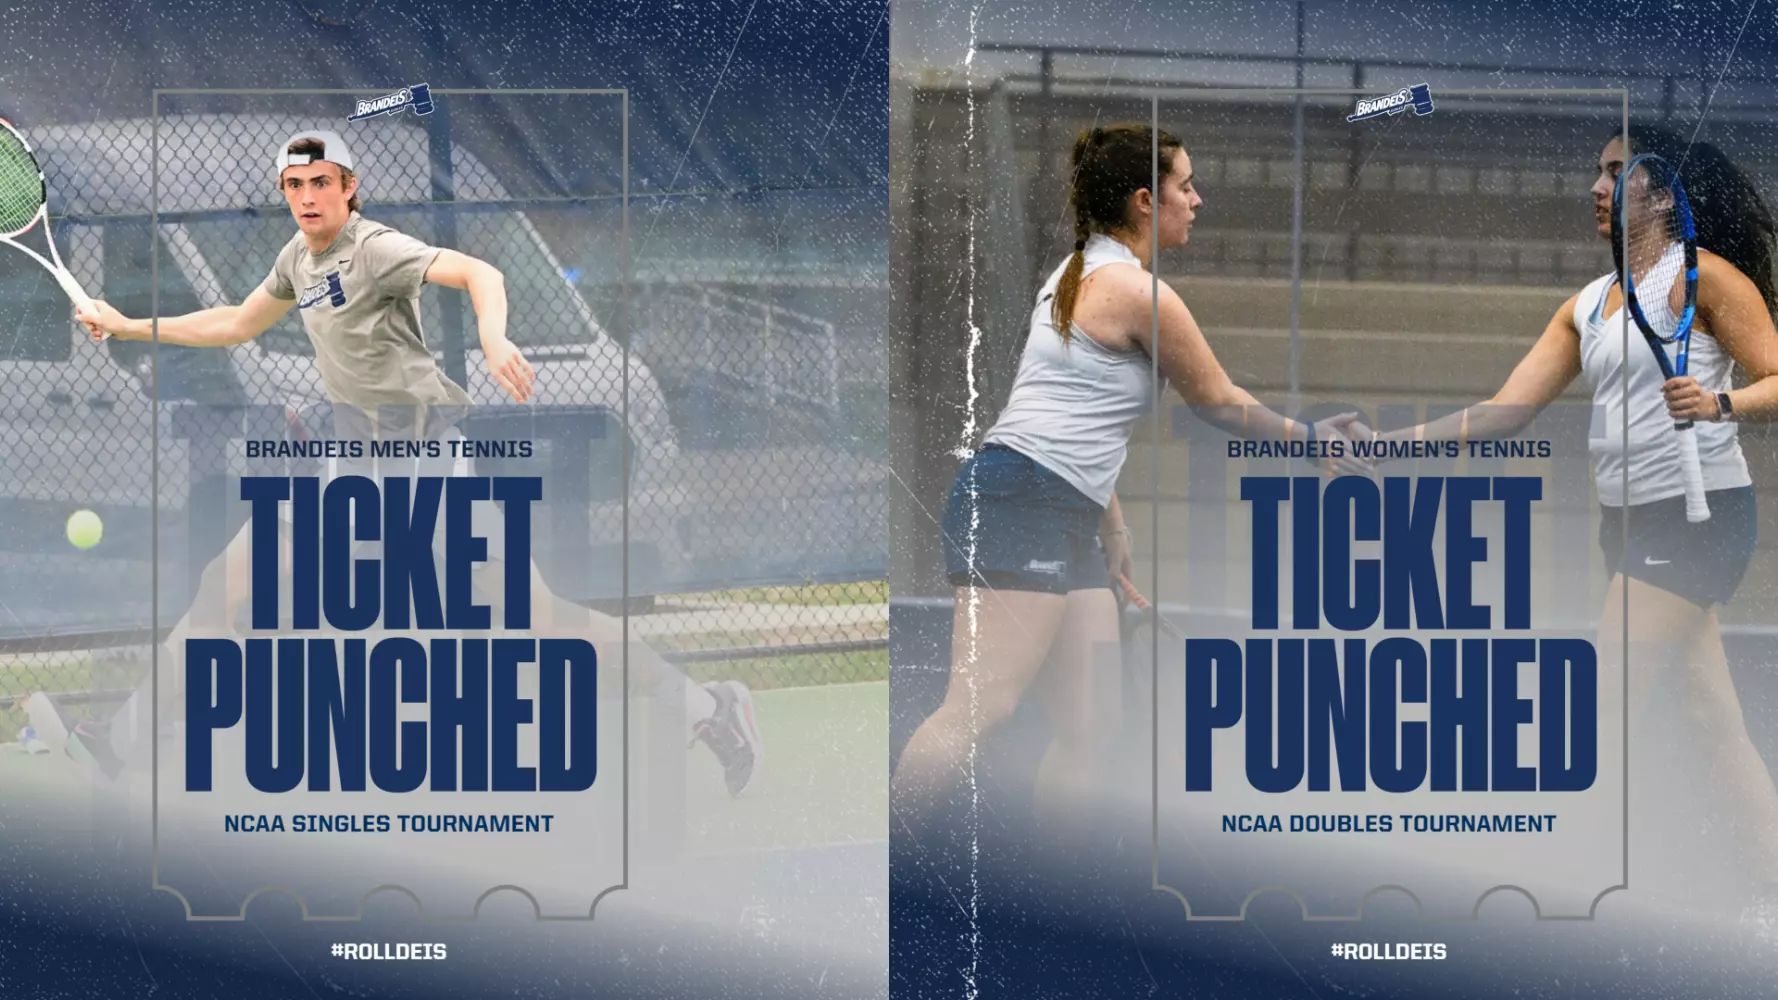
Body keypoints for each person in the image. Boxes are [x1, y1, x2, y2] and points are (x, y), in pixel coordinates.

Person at [32, 130, 762, 797]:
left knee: (540, 618)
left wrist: (497, 340)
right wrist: (128, 323)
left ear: (349, 188)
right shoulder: (298, 258)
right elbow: (234, 322)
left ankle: (706, 706)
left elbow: (484, 275)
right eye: (296, 185)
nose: (309, 196)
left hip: (422, 467)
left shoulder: (377, 249)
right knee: (223, 583)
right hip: (348, 458)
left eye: (323, 182)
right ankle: (125, 747)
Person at [888, 123, 1363, 835]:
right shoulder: (1136, 292)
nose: (1197, 200)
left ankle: (1055, 896)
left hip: (1057, 508)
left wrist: (1111, 523)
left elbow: (1067, 413)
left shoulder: (1074, 271)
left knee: (1091, 724)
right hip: (1021, 501)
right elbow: (1215, 399)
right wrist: (1313, 439)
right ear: (1146, 200)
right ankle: (887, 872)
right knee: (980, 707)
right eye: (1185, 186)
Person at [1373, 124, 1778, 915]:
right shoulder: (1587, 306)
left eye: (1616, 174)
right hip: (1625, 527)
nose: (1596, 188)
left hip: (1698, 519)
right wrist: (1386, 448)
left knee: (1592, 711)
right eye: (1596, 172)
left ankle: (1546, 901)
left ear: (1661, 195)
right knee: (1710, 722)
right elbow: (1501, 413)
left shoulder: (1706, 280)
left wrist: (1720, 400)